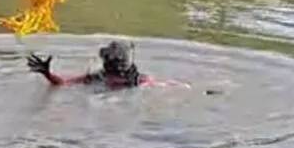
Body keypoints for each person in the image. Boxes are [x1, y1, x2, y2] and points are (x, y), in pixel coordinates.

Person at [27, 40, 183, 89]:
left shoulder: (96, 78)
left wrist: (47, 73)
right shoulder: (140, 81)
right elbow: (167, 85)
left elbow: (62, 82)